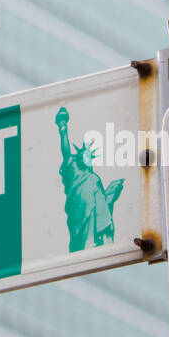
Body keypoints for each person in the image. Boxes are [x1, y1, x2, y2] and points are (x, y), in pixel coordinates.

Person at [55, 106, 123, 251]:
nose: (86, 157)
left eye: (88, 155)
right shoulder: (73, 173)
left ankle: (100, 240)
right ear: (78, 159)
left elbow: (103, 204)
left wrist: (112, 191)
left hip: (96, 224)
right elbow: (66, 151)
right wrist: (63, 129)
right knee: (83, 243)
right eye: (82, 155)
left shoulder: (93, 178)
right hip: (79, 216)